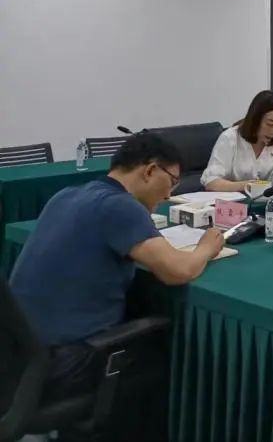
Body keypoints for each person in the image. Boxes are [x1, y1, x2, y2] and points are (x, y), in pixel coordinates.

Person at [11, 132, 224, 404]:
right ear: (150, 170)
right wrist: (206, 247)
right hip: (65, 362)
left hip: (18, 355)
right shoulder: (121, 206)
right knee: (168, 354)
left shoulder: (65, 195)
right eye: (171, 181)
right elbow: (178, 271)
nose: (168, 194)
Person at [201, 90, 273, 192]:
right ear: (255, 119)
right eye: (270, 124)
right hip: (234, 200)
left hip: (265, 199)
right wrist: (248, 186)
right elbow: (211, 182)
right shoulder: (229, 138)